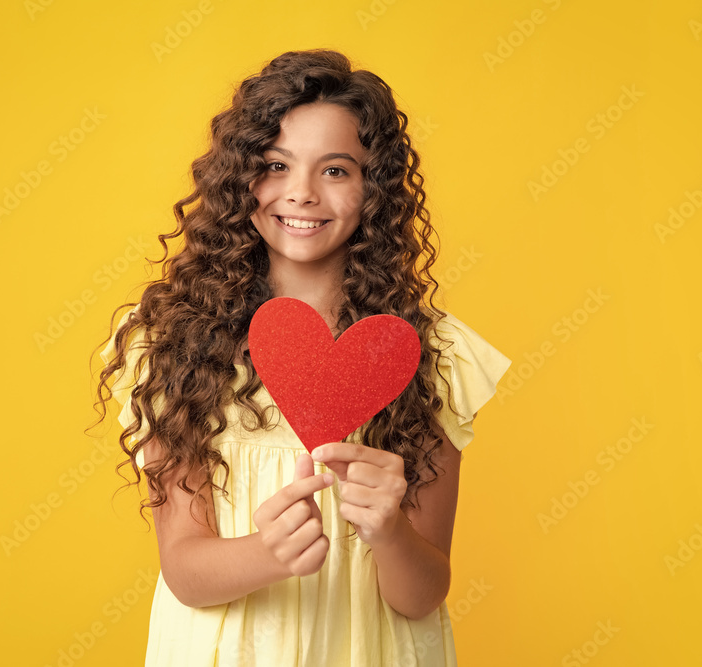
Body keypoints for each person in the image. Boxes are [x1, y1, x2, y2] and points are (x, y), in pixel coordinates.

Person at [95, 48, 512, 667]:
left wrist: (390, 532)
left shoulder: (429, 356)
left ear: (374, 189)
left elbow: (423, 594)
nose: (301, 193)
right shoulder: (172, 344)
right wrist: (267, 553)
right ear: (241, 179)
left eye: (335, 170)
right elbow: (184, 568)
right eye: (275, 165)